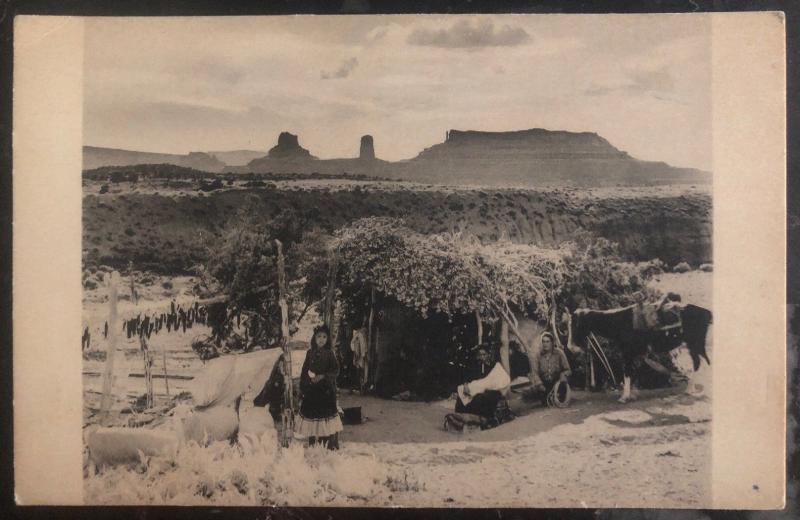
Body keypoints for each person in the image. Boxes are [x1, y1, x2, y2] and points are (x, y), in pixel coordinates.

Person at [294, 325, 343, 450]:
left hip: (325, 392)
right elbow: (304, 371)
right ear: (314, 338)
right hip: (312, 392)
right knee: (312, 418)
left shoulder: (329, 353)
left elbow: (336, 370)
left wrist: (323, 377)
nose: (321, 339)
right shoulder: (310, 353)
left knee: (323, 419)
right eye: (319, 337)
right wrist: (303, 387)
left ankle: (324, 444)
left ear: (327, 339)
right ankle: (312, 444)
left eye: (324, 337)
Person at [454, 347, 511, 423]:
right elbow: (469, 378)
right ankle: (461, 415)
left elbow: (502, 379)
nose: (482, 357)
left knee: (481, 397)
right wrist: (465, 385)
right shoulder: (477, 366)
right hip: (478, 388)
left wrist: (488, 387)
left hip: (493, 390)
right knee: (461, 392)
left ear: (488, 355)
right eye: (480, 355)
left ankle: (484, 418)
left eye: (484, 354)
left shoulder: (495, 366)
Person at [530, 332, 572, 406]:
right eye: (543, 341)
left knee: (559, 396)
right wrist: (539, 384)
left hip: (557, 382)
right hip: (544, 383)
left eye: (547, 341)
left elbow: (568, 369)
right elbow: (534, 373)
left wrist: (563, 375)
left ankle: (559, 395)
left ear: (552, 343)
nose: (545, 344)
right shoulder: (538, 355)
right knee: (545, 400)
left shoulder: (559, 353)